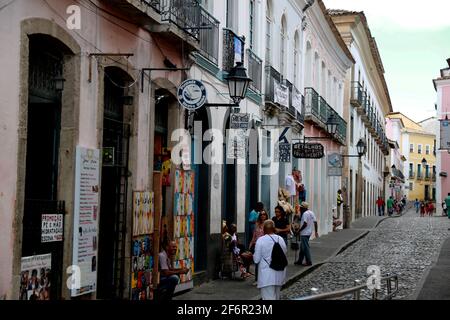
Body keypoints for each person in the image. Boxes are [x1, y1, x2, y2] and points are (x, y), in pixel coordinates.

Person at [253, 220, 287, 300]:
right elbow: (284, 253)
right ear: (274, 228)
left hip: (266, 276)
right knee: (277, 297)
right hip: (279, 274)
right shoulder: (280, 239)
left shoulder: (261, 240)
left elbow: (256, 260)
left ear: (264, 229)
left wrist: (252, 255)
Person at [295, 202, 318, 267]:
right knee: (302, 247)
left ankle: (309, 261)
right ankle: (300, 260)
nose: (300, 208)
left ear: (303, 208)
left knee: (305, 247)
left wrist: (299, 231)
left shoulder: (305, 214)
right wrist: (316, 231)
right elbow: (315, 222)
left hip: (304, 233)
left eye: (301, 207)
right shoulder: (311, 212)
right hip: (309, 232)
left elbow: (305, 224)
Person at [249, 210, 269, 283]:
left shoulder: (268, 224)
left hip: (265, 245)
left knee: (265, 263)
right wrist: (251, 244)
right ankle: (257, 279)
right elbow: (254, 235)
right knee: (257, 262)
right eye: (261, 214)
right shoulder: (257, 224)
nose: (263, 216)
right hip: (257, 245)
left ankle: (265, 279)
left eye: (264, 214)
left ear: (266, 216)